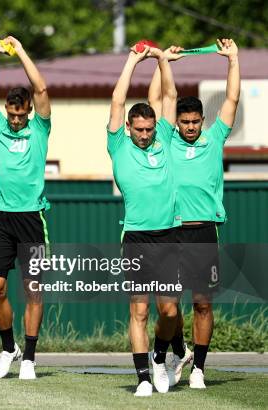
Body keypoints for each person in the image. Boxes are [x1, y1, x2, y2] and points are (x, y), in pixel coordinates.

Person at [148, 39, 240, 389]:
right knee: (168, 306)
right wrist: (161, 60)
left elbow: (231, 99)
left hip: (204, 232)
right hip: (170, 232)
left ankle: (198, 367)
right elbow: (157, 101)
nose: (189, 126)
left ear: (203, 120)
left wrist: (232, 59)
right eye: (184, 121)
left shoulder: (215, 138)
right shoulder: (167, 139)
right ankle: (176, 350)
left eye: (194, 121)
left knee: (202, 304)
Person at [108, 44, 183, 397]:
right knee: (138, 309)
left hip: (169, 234)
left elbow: (170, 94)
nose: (144, 134)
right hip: (137, 237)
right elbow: (117, 99)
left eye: (149, 129)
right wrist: (133, 60)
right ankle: (142, 378)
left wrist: (162, 60)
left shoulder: (164, 138)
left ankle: (159, 355)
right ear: (129, 127)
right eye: (139, 129)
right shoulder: (119, 145)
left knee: (168, 311)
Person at [0, 36, 51, 380]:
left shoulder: (39, 127)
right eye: (12, 114)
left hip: (31, 218)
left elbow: (40, 88)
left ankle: (30, 358)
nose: (15, 120)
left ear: (29, 113)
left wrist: (20, 50)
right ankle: (10, 348)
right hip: (1, 218)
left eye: (20, 115)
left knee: (33, 290)